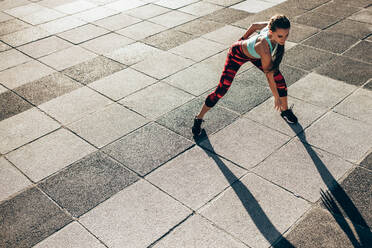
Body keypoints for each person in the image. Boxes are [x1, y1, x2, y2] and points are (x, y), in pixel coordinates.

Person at [192, 14, 298, 136]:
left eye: (286, 35)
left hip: (255, 55)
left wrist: (244, 38)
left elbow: (254, 26)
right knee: (221, 90)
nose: (283, 39)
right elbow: (269, 76)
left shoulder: (272, 26)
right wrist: (276, 97)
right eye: (280, 36)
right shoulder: (264, 47)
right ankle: (199, 118)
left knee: (279, 79)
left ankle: (285, 111)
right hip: (236, 54)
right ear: (271, 31)